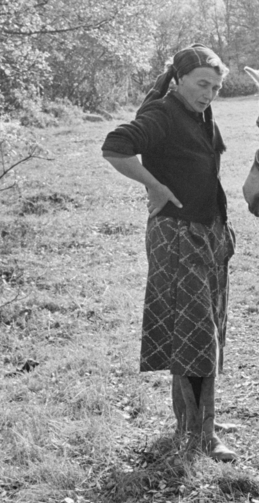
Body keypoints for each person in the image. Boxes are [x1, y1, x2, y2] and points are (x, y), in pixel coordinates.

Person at [101, 45, 237, 462]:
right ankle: (199, 436)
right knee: (194, 336)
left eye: (215, 87)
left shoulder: (199, 114)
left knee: (207, 332)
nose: (208, 94)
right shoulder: (162, 112)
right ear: (178, 80)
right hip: (177, 237)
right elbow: (115, 146)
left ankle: (199, 421)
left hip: (206, 234)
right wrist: (154, 185)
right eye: (201, 85)